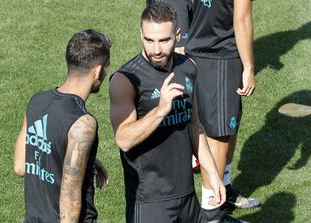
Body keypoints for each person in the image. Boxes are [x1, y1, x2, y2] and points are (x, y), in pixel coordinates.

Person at [109, 3, 225, 222]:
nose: (156, 49)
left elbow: (195, 127)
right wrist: (161, 110)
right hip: (150, 202)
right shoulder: (125, 80)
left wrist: (213, 176)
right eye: (149, 40)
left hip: (187, 197)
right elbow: (123, 140)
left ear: (177, 35)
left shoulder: (189, 67)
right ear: (141, 34)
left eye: (164, 40)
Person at [13, 29, 110, 223]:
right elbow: (69, 200)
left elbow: (20, 166)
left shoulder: (37, 102)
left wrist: (89, 160)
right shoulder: (83, 123)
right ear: (97, 70)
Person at [185, 0, 258, 221]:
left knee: (228, 127)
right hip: (220, 56)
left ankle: (223, 192)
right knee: (219, 136)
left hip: (199, 50)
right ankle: (211, 213)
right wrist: (249, 67)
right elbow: (241, 19)